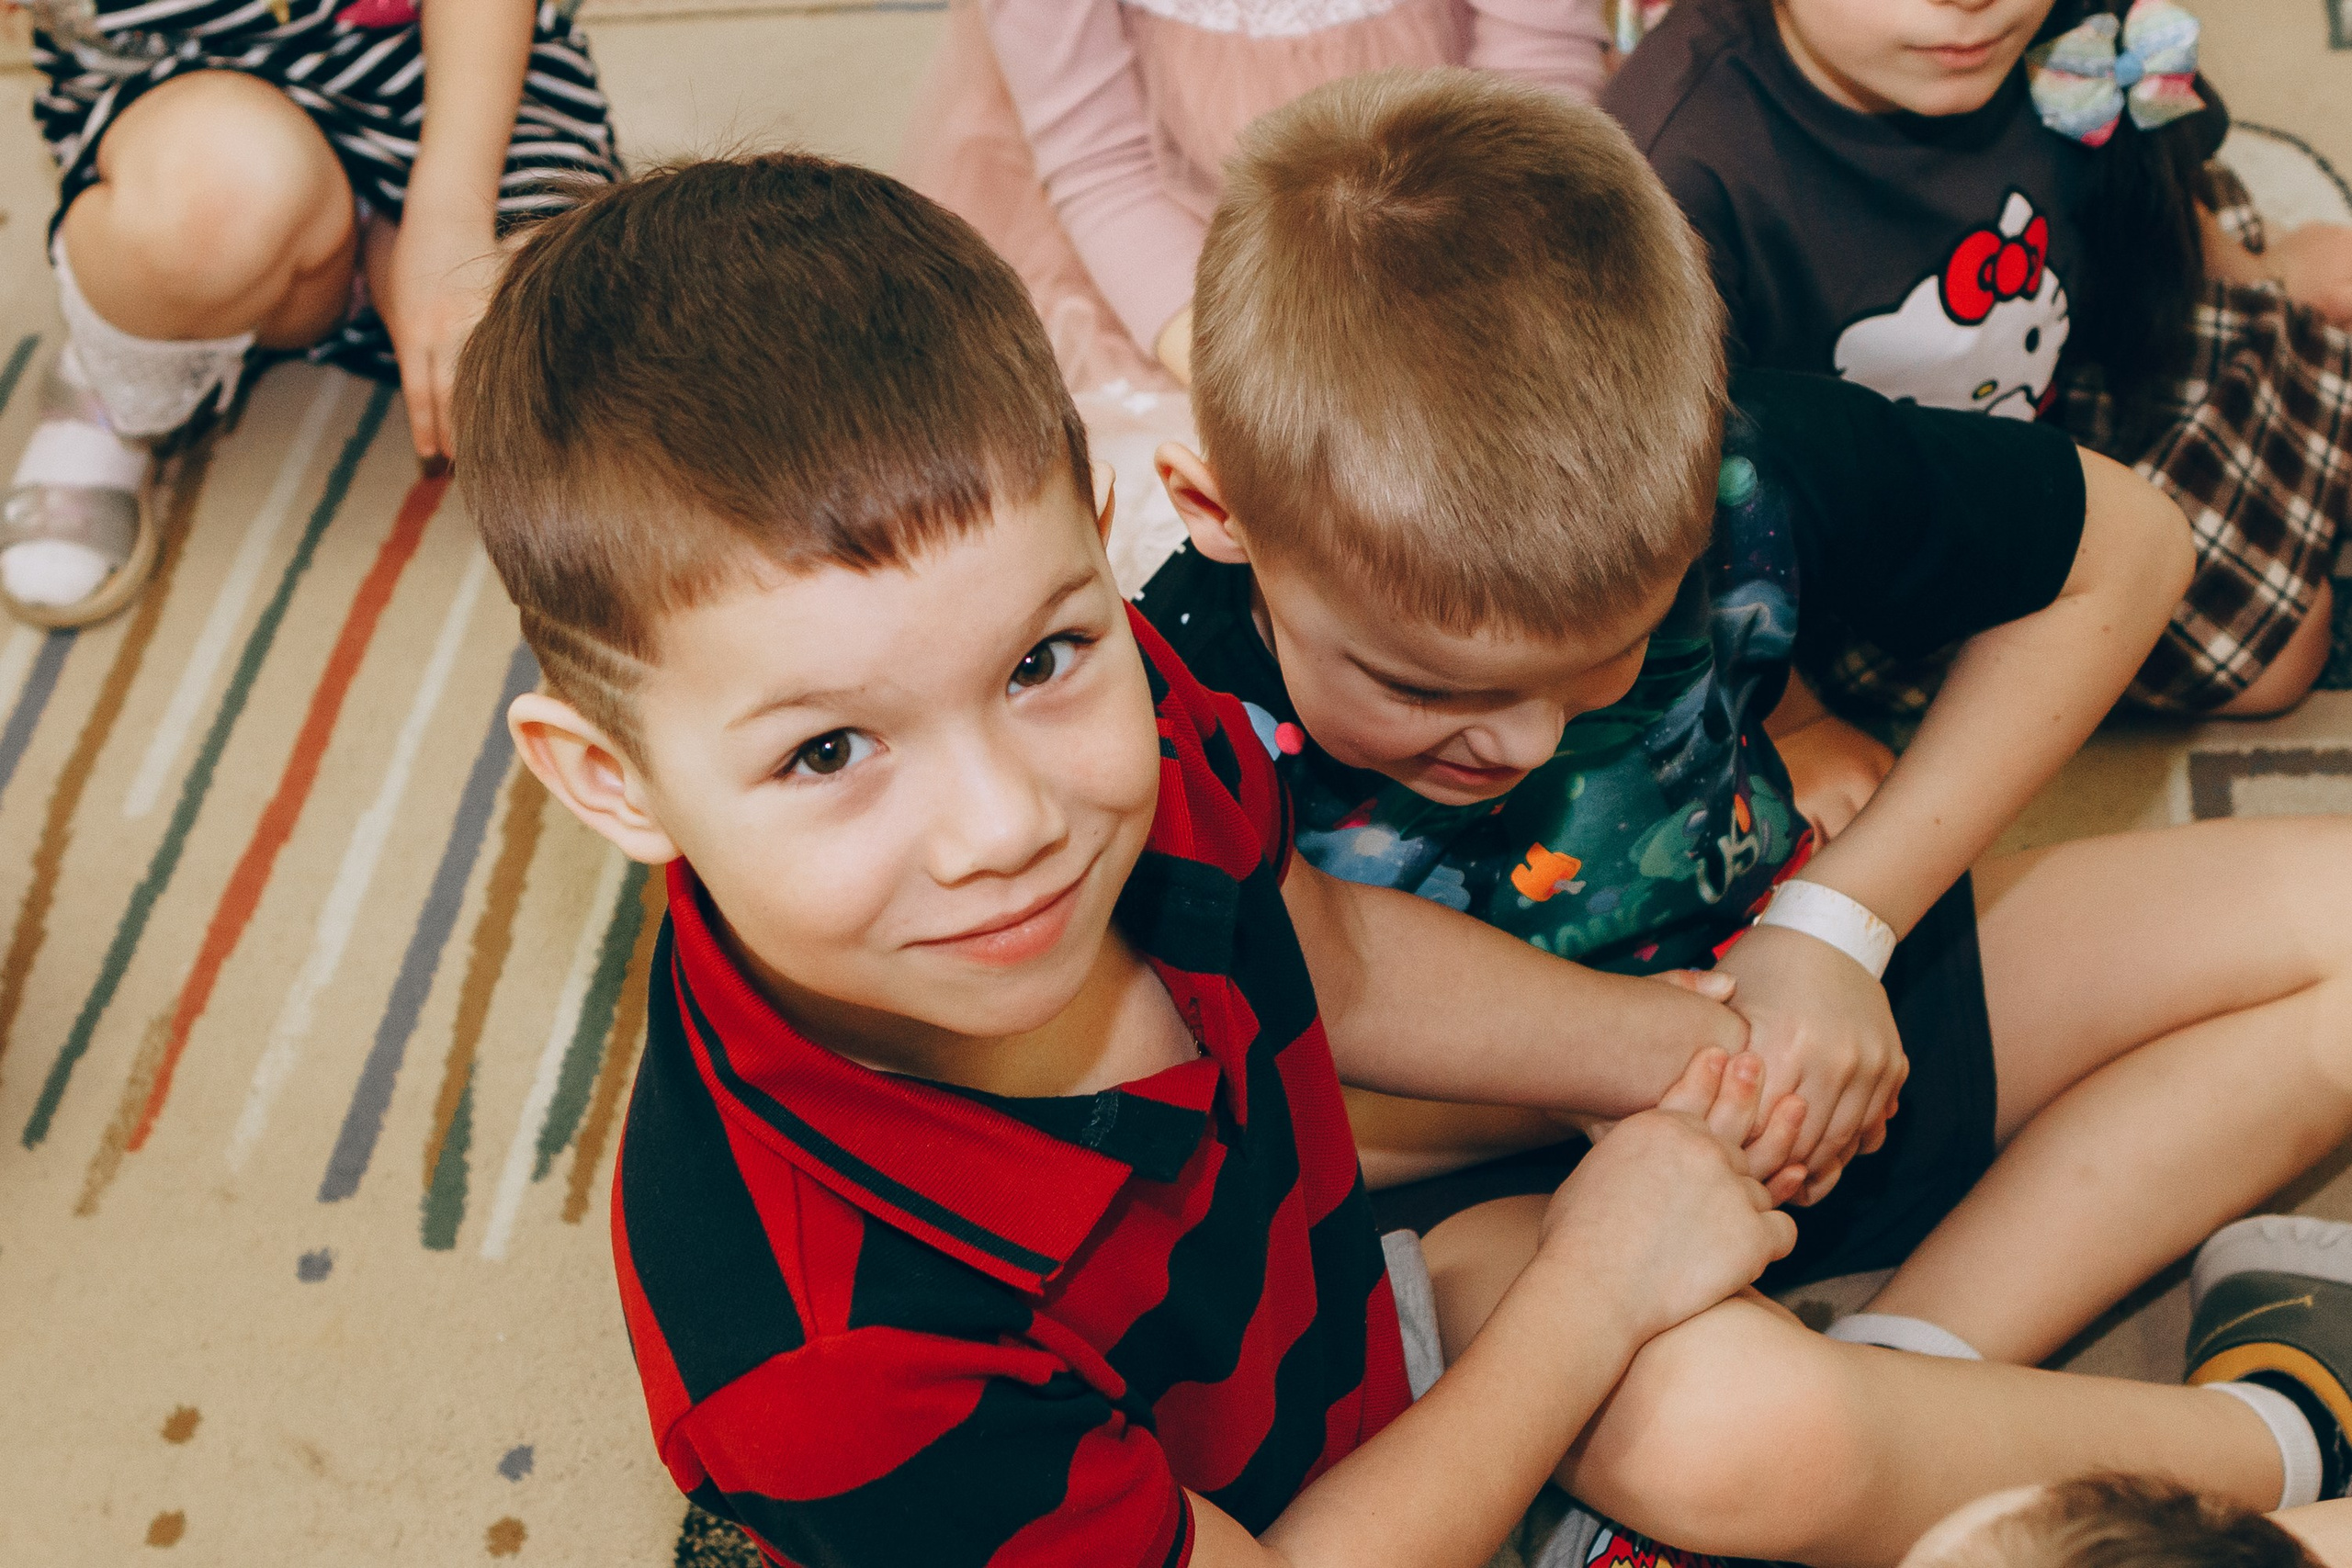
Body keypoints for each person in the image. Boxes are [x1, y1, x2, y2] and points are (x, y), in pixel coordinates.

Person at [457, 149, 2352, 1568]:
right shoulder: (822, 1343)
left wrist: (1712, 1050)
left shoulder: (1127, 719)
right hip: (1301, 1506)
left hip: (1373, 1336)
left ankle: (1922, 1392)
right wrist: (1596, 1290)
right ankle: (2277, 1463)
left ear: (1099, 546)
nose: (1009, 819)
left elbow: (1335, 958)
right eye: (827, 750)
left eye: (1041, 657)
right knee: (1725, 1414)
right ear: (605, 780)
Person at [1139, 64, 2352, 1397]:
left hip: (1815, 1006)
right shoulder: (1145, 698)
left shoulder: (1740, 461)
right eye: (1425, 688)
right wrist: (1662, 1067)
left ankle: (1910, 1359)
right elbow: (1274, 1048)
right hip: (1484, 1168)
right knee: (1717, 1417)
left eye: (1605, 663)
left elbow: (2133, 547)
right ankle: (1983, 1427)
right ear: (1217, 510)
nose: (1528, 744)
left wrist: (1838, 924)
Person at [1603, 0, 2352, 719]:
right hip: (1867, 534)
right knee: (2286, 650)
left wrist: (2260, 273)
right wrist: (1796, 721)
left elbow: (2141, 168)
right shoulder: (1672, 171)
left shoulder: (2052, 23)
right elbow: (1676, 531)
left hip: (2065, 352)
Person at [0, 0, 621, 628]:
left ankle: (374, 250)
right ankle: (116, 374)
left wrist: (450, 222)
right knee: (215, 202)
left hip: (441, 67)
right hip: (177, 84)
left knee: (572, 368)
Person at [897, 0, 1612, 395]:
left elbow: (1536, 88)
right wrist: (1253, 391)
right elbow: (1100, 162)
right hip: (1158, 265)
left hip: (1456, 214)